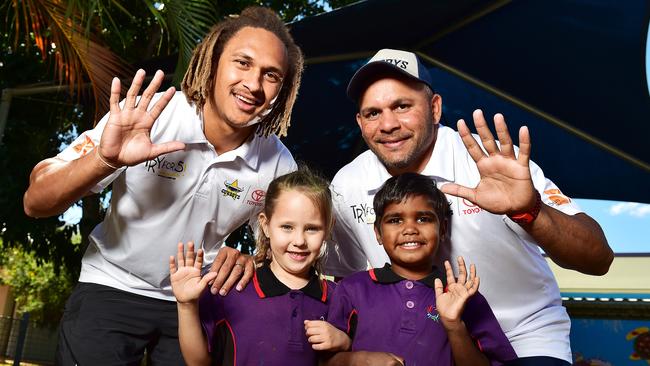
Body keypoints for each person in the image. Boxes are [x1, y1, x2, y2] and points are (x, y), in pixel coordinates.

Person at [23, 7, 303, 365]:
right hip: (112, 285)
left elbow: (288, 246)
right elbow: (35, 201)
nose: (253, 83)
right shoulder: (151, 115)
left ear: (283, 88)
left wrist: (253, 260)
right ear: (213, 63)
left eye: (271, 75)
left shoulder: (278, 163)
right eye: (242, 63)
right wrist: (105, 160)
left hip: (193, 302)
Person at [324, 48, 614, 365]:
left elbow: (598, 258)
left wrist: (529, 210)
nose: (388, 124)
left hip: (523, 341)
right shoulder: (346, 185)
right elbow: (347, 283)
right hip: (418, 350)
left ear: (435, 108)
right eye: (373, 113)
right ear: (359, 121)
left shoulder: (492, 164)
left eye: (402, 106)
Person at [323, 173, 517, 365]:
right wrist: (361, 360)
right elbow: (326, 361)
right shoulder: (352, 288)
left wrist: (454, 326)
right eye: (395, 220)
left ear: (442, 230)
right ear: (378, 233)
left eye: (423, 219)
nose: (410, 229)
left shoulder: (464, 295)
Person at [170, 169, 349, 365]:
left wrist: (345, 342)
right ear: (265, 225)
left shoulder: (340, 299)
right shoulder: (229, 289)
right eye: (287, 227)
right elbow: (198, 362)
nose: (299, 240)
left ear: (328, 229)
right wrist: (186, 306)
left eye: (312, 228)